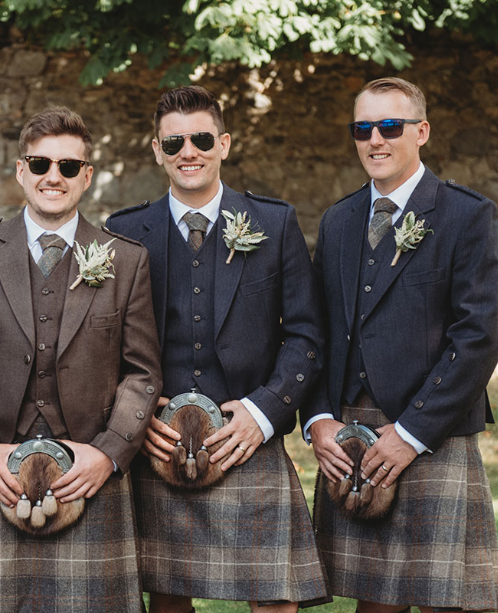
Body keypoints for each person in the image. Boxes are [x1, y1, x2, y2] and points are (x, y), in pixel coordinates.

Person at [106, 85, 329, 613]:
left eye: (202, 137)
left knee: (275, 596)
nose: (190, 150)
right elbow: (105, 343)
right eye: (175, 141)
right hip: (158, 441)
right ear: (157, 150)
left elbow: (306, 335)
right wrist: (138, 415)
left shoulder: (273, 224)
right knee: (166, 597)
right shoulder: (124, 232)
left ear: (224, 143)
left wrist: (264, 413)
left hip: (246, 437)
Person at [0, 106, 162, 612]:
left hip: (90, 474)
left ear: (86, 176)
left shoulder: (125, 259)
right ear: (21, 171)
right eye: (40, 164)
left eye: (67, 166)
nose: (52, 177)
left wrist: (107, 452)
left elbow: (142, 373)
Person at [304, 77, 498, 612]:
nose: (376, 140)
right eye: (363, 128)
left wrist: (412, 433)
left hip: (433, 432)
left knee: (446, 601)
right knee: (373, 601)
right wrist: (319, 416)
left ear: (422, 131)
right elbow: (314, 331)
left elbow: (479, 337)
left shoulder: (466, 215)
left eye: (390, 126)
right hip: (351, 431)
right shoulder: (339, 220)